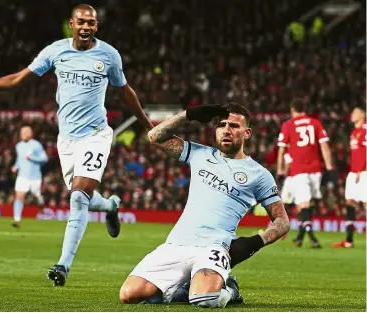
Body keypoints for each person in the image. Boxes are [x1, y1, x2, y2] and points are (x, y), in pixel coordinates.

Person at [0, 4, 153, 286]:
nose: (86, 27)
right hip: (67, 140)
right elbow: (17, 79)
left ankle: (63, 266)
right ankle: (110, 206)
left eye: (91, 23)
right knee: (82, 198)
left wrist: (146, 124)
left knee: (77, 197)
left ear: (96, 27)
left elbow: (125, 91)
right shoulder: (55, 51)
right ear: (71, 24)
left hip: (96, 135)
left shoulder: (109, 55)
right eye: (81, 22)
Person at [119, 102, 290, 308]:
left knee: (204, 300)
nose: (227, 130)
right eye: (222, 125)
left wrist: (253, 243)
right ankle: (183, 289)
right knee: (129, 294)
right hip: (176, 244)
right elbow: (154, 136)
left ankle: (230, 290)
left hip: (214, 247)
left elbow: (282, 221)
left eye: (234, 126)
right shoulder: (200, 153)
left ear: (247, 133)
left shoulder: (259, 174)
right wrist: (188, 114)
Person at [277, 98, 336, 248]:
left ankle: (312, 237)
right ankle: (299, 237)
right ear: (304, 109)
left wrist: (279, 171)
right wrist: (330, 168)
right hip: (315, 170)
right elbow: (324, 146)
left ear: (292, 110)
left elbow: (282, 149)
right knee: (303, 204)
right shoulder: (315, 123)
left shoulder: (288, 125)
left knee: (303, 204)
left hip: (298, 170)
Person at [333, 107, 366, 248]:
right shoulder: (354, 132)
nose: (352, 115)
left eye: (355, 113)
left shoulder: (365, 130)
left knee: (365, 203)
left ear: (362, 115)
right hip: (353, 172)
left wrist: (360, 170)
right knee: (350, 203)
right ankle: (348, 240)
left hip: (363, 172)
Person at [11, 125, 48, 228]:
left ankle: (41, 204)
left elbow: (45, 159)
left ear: (30, 134)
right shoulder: (18, 146)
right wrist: (16, 166)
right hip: (22, 176)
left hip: (34, 177)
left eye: (24, 133)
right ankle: (17, 220)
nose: (22, 135)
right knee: (19, 196)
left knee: (37, 197)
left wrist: (32, 158)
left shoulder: (37, 145)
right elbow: (20, 159)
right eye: (21, 133)